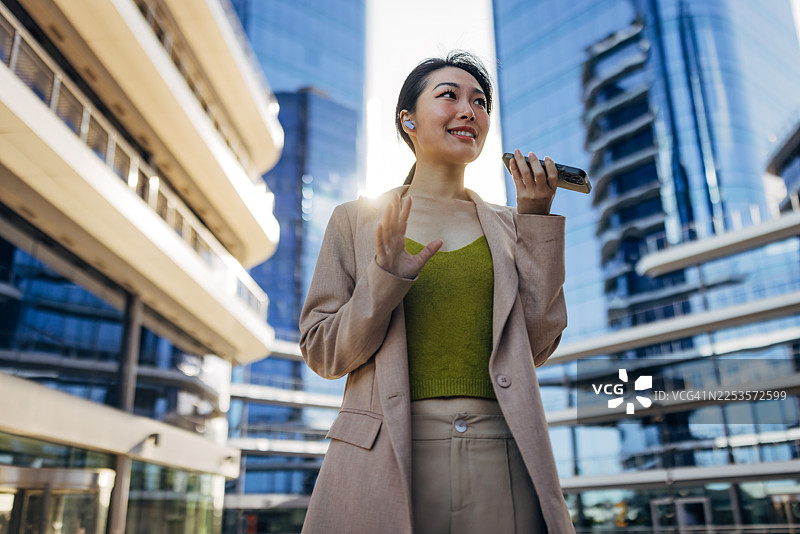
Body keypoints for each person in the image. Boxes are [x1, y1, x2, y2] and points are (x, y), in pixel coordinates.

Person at [299, 50, 575, 533]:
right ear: (408, 119)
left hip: (501, 449)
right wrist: (384, 278)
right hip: (386, 450)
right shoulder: (356, 220)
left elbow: (536, 346)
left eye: (480, 101)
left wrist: (535, 220)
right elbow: (324, 353)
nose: (469, 110)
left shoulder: (512, 226)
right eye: (449, 96)